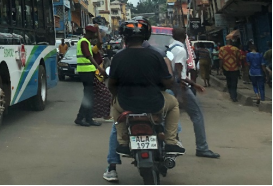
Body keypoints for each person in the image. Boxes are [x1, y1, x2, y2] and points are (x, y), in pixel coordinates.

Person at [107, 19, 183, 157]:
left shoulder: (118, 57)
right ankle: (171, 142)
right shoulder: (156, 55)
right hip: (154, 103)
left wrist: (115, 96)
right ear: (145, 37)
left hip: (126, 104)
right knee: (174, 105)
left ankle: (123, 143)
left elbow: (111, 84)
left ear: (124, 37)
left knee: (115, 109)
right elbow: (167, 82)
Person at [168, 28, 219, 158]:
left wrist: (193, 84)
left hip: (173, 85)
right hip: (181, 86)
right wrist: (188, 86)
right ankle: (202, 147)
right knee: (197, 115)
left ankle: (173, 144)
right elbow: (179, 71)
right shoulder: (180, 50)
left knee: (171, 115)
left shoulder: (170, 48)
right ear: (185, 36)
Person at [75, 25, 104, 127]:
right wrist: (99, 68)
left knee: (90, 96)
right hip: (85, 72)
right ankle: (80, 118)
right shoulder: (84, 42)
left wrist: (99, 32)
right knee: (88, 96)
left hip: (87, 72)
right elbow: (88, 56)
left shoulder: (86, 42)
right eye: (93, 34)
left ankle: (89, 118)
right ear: (89, 33)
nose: (93, 36)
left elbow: (99, 45)